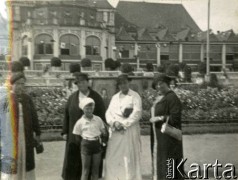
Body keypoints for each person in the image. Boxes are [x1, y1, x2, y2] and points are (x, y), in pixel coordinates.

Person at [61, 72, 107, 180]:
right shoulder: (73, 97)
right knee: (74, 157)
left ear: (88, 82)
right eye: (78, 83)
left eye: (82, 82)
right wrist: (65, 131)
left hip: (92, 134)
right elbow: (66, 114)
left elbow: (102, 116)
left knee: (91, 163)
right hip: (75, 133)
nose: (80, 85)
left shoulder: (96, 97)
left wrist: (102, 133)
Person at [0, 72, 41, 180]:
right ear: (12, 84)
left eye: (23, 84)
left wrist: (38, 134)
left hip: (26, 135)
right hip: (11, 136)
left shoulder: (27, 99)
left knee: (26, 159)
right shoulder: (5, 99)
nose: (20, 86)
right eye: (18, 84)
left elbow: (34, 117)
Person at [104, 74, 142, 180]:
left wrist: (124, 124)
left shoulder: (135, 96)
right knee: (112, 156)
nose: (123, 85)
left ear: (128, 83)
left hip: (129, 130)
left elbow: (137, 113)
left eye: (124, 82)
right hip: (116, 131)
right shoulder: (114, 97)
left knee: (128, 156)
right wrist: (114, 123)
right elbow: (108, 113)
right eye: (120, 83)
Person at [150, 74, 184, 180]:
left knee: (169, 165)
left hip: (169, 139)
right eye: (157, 85)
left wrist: (160, 118)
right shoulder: (162, 97)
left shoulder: (172, 97)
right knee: (163, 163)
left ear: (167, 84)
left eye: (161, 84)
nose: (159, 86)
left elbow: (176, 117)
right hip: (160, 138)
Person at [73, 97, 107, 180]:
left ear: (93, 108)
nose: (89, 110)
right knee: (85, 171)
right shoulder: (80, 122)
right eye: (87, 108)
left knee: (95, 170)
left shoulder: (98, 119)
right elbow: (77, 137)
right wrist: (83, 145)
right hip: (85, 145)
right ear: (83, 109)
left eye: (91, 108)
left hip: (96, 144)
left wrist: (103, 140)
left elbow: (103, 132)